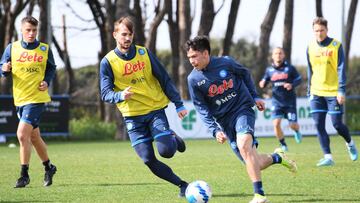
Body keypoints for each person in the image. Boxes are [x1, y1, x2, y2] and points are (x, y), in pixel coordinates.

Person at [185, 36, 297, 203]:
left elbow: (245, 74)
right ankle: (277, 157)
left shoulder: (226, 62)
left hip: (242, 110)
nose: (191, 61)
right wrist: (215, 130)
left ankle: (259, 195)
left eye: (194, 56)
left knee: (243, 144)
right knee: (255, 163)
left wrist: (255, 96)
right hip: (224, 121)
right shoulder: (193, 80)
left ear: (205, 53)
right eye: (189, 58)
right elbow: (201, 108)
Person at [99, 16, 189, 197]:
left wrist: (179, 104)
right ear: (115, 34)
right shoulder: (107, 62)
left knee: (167, 151)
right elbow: (105, 93)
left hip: (154, 111)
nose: (127, 38)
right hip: (132, 117)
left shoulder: (144, 54)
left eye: (130, 34)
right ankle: (182, 184)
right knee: (148, 159)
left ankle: (171, 137)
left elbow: (164, 79)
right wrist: (120, 95)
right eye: (123, 34)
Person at [0, 16, 57, 188]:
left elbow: (51, 68)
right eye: (28, 30)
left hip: (37, 99)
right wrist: (4, 69)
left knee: (22, 135)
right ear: (22, 30)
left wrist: (47, 81)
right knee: (34, 137)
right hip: (20, 99)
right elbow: (3, 66)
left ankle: (24, 175)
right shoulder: (12, 48)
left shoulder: (44, 49)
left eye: (34, 30)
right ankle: (49, 167)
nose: (31, 33)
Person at [307, 17, 358, 166]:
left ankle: (350, 143)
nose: (319, 33)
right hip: (316, 92)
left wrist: (341, 90)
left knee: (337, 124)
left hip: (333, 92)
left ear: (327, 30)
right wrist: (309, 91)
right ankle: (328, 157)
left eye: (322, 30)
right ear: (313, 31)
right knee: (318, 124)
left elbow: (341, 69)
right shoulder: (310, 47)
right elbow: (310, 70)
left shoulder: (336, 46)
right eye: (316, 30)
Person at [259, 47, 302, 152]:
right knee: (276, 124)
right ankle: (283, 144)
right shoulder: (269, 70)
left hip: (290, 102)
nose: (278, 55)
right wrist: (262, 83)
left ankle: (296, 131)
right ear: (272, 56)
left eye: (280, 53)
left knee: (292, 125)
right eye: (276, 53)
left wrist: (291, 84)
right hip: (276, 102)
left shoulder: (290, 68)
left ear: (283, 55)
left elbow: (299, 79)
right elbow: (264, 80)